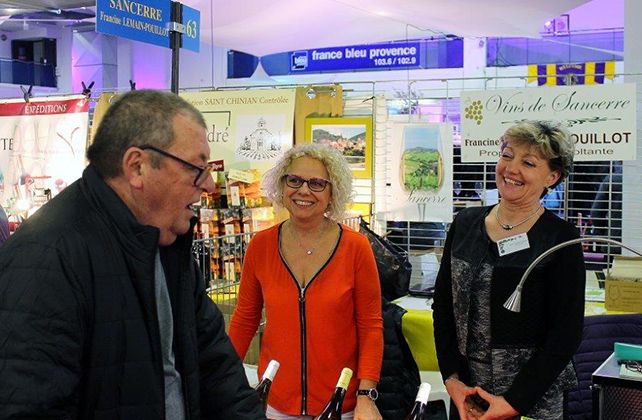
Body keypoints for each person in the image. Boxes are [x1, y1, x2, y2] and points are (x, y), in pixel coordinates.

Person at [0, 90, 265, 419]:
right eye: (196, 168)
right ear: (137, 167)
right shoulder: (46, 258)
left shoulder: (168, 244)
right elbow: (28, 405)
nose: (209, 185)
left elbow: (217, 370)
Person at [432, 120, 585, 420]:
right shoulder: (465, 224)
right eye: (507, 155)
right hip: (468, 396)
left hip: (533, 400)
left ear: (552, 176)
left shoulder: (560, 238)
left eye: (528, 163)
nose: (511, 168)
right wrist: (451, 379)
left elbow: (566, 334)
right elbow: (444, 306)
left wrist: (514, 402)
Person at [228, 143, 383, 419]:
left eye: (317, 183)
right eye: (294, 180)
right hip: (276, 402)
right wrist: (222, 379)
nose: (303, 190)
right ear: (282, 185)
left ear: (332, 192)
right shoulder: (260, 246)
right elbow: (245, 319)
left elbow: (370, 326)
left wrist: (366, 395)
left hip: (341, 404)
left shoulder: (356, 248)